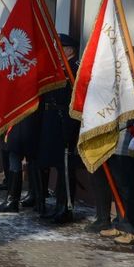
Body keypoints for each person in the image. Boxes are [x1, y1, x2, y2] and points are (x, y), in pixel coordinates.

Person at [38, 33, 81, 223]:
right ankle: (56, 205)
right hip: (53, 120)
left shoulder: (75, 69)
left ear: (69, 50)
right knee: (55, 162)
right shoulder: (59, 68)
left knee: (65, 166)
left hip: (66, 121)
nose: (57, 51)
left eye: (60, 48)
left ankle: (65, 208)